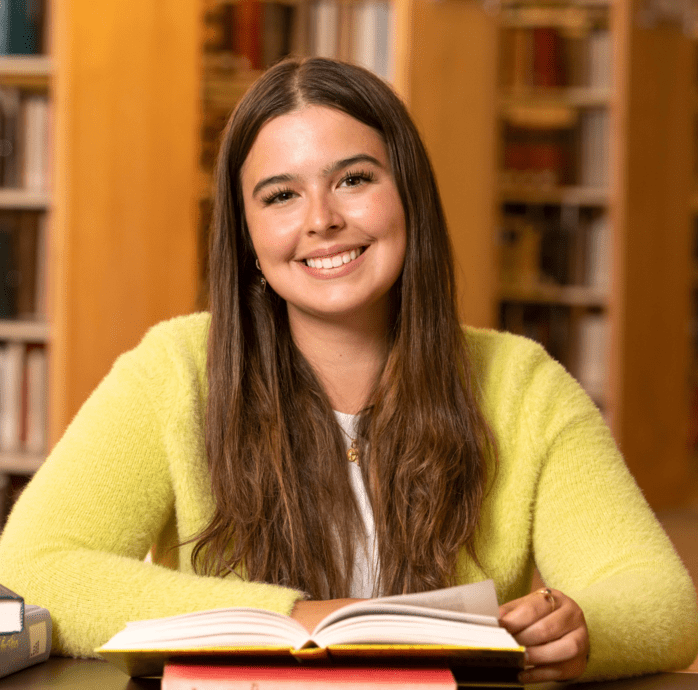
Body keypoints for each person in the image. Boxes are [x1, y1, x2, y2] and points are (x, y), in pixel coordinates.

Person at [0, 57, 696, 683]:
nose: (323, 220)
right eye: (281, 196)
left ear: (409, 197)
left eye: (354, 180)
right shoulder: (175, 370)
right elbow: (29, 567)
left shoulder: (521, 384)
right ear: (245, 236)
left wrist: (583, 629)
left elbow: (658, 597)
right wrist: (296, 620)